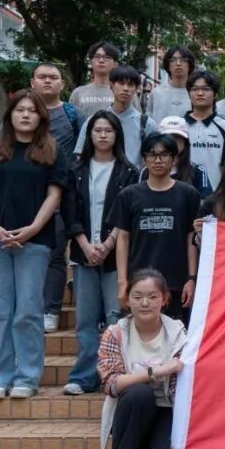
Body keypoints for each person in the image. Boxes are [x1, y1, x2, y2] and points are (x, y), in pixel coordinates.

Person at [0, 89, 68, 399]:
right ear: (10, 114)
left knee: (28, 311)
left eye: (32, 110)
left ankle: (27, 377)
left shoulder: (52, 151)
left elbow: (54, 195)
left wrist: (33, 229)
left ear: (41, 117)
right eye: (20, 109)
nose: (26, 115)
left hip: (36, 241)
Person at [61, 111, 139, 397]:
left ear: (117, 135)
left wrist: (108, 244)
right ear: (89, 135)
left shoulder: (128, 171)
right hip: (83, 252)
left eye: (109, 130)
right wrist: (85, 245)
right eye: (97, 130)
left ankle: (115, 374)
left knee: (115, 315)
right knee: (85, 318)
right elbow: (69, 211)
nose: (103, 135)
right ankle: (84, 376)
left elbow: (127, 214)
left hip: (115, 255)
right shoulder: (76, 169)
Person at [97, 269, 187, 449]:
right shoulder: (115, 333)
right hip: (131, 411)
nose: (145, 303)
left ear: (164, 299)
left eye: (153, 296)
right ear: (127, 300)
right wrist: (155, 372)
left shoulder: (179, 333)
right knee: (139, 393)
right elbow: (111, 384)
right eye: (137, 297)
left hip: (168, 411)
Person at [111, 133, 201, 325]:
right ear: (144, 160)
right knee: (139, 334)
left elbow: (191, 238)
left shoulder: (188, 194)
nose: (158, 160)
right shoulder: (129, 195)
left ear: (174, 159)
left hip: (176, 282)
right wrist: (122, 282)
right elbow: (123, 238)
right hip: (139, 282)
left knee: (177, 335)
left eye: (164, 154)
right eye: (152, 155)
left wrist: (192, 278)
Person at [24, 64, 78, 335]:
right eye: (42, 77)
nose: (47, 81)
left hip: (62, 195)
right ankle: (26, 308)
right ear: (32, 81)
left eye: (53, 77)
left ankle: (50, 310)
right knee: (27, 253)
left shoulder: (72, 114)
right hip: (26, 196)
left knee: (56, 254)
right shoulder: (23, 112)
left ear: (62, 84)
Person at [74, 65, 158, 169]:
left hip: (134, 177)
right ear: (111, 85)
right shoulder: (94, 121)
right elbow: (80, 155)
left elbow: (154, 157)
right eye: (121, 83)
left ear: (136, 89)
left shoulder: (146, 124)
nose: (125, 89)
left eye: (130, 84)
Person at [183, 69, 225, 189]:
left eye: (206, 89)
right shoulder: (179, 126)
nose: (200, 93)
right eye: (195, 89)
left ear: (215, 94)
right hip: (185, 192)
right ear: (189, 93)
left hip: (218, 192)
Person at [147, 117, 212, 198]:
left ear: (185, 141)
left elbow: (206, 201)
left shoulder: (198, 171)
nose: (173, 141)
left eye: (178, 137)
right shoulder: (147, 170)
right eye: (168, 137)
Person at [71, 41, 132, 118]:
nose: (101, 60)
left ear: (115, 64)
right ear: (91, 62)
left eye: (107, 57)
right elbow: (71, 121)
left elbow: (136, 119)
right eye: (97, 57)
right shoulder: (78, 93)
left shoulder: (126, 91)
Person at [146, 46, 196, 124]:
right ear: (168, 65)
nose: (178, 63)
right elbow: (148, 123)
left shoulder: (197, 93)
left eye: (183, 59)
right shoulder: (157, 93)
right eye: (173, 60)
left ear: (190, 64)